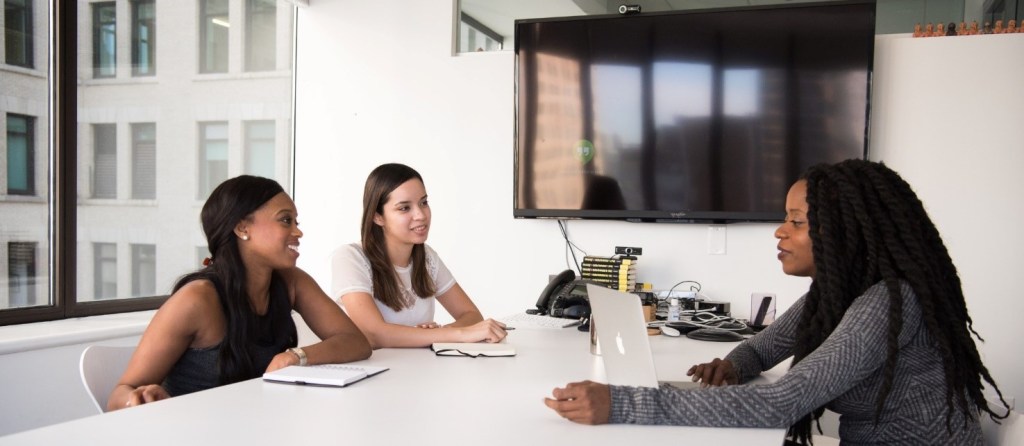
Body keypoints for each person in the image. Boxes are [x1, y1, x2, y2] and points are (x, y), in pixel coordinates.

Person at [544, 160, 1009, 444]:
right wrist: (733, 364)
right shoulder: (835, 294)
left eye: (797, 221)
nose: (779, 231)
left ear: (844, 232)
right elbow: (765, 346)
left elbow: (781, 403)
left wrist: (624, 404)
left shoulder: (888, 302)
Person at [108, 176, 371, 411]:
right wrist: (138, 398)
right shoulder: (197, 300)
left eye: (296, 221)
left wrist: (295, 356)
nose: (298, 231)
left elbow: (355, 342)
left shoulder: (292, 282)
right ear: (242, 228)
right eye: (285, 220)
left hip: (256, 426)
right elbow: (118, 397)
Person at [331, 163, 507, 348]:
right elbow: (374, 334)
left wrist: (436, 335)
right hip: (375, 372)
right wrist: (447, 335)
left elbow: (471, 315)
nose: (421, 215)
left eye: (423, 203)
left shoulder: (427, 257)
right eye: (404, 208)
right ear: (378, 217)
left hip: (420, 369)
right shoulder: (350, 258)